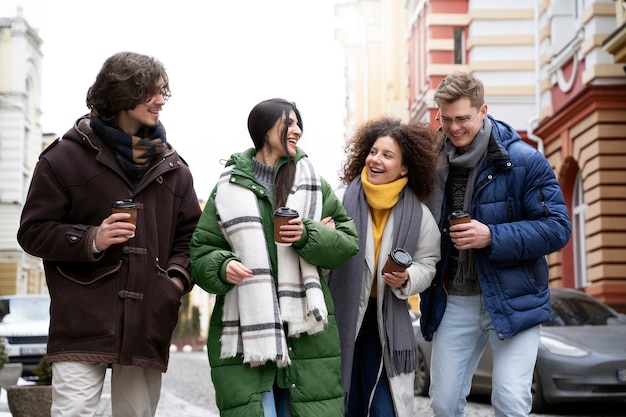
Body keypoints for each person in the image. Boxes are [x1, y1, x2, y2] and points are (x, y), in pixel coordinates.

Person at [17, 51, 202, 417]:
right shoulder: (63, 158)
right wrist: (92, 239)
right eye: (151, 92)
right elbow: (33, 232)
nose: (161, 100)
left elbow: (191, 240)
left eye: (164, 91)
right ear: (121, 94)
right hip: (81, 319)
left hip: (149, 316)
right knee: (73, 413)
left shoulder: (175, 169)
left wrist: (175, 282)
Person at [190, 98, 359, 417]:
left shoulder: (314, 184)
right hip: (244, 333)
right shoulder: (227, 187)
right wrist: (222, 266)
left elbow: (347, 242)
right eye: (288, 123)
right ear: (264, 130)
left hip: (307, 335)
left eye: (299, 124)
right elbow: (201, 254)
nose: (297, 130)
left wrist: (308, 234)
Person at [420, 71, 572, 417]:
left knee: (510, 398)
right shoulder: (429, 163)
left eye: (463, 119)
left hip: (513, 296)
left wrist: (492, 236)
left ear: (483, 110)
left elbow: (558, 228)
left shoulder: (524, 160)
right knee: (443, 402)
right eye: (446, 120)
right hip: (453, 299)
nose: (454, 128)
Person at [328, 117, 441, 417]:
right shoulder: (338, 202)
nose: (376, 160)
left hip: (385, 323)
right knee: (345, 404)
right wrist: (324, 239)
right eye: (374, 152)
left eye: (387, 155)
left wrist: (407, 278)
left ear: (404, 167)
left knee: (383, 409)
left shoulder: (418, 213)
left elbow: (428, 264)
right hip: (342, 318)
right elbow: (318, 261)